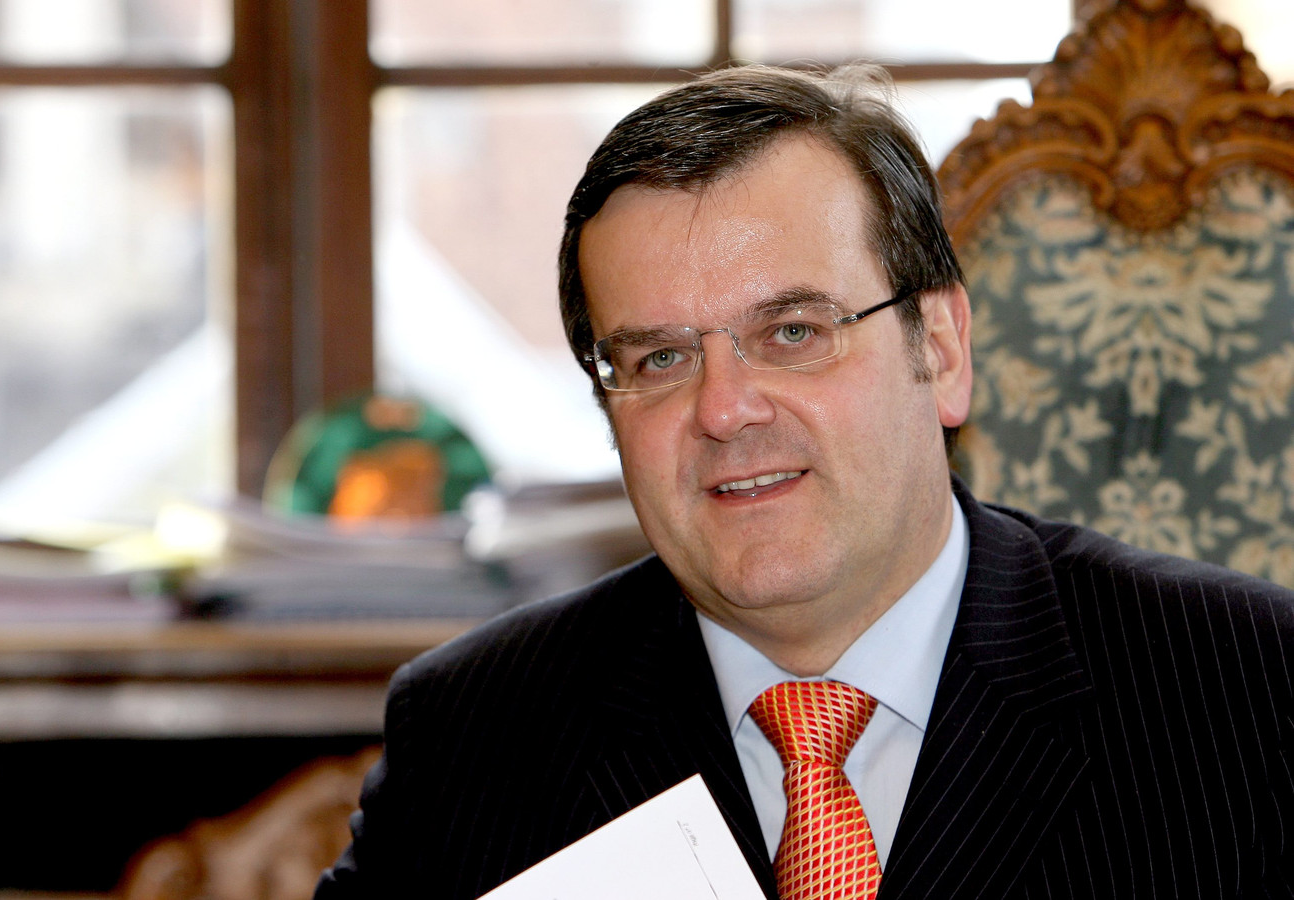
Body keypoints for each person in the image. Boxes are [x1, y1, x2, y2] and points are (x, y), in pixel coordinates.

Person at [314, 64, 1294, 899]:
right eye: (658, 359)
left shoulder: (1249, 692)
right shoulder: (472, 734)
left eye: (792, 332)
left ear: (941, 348)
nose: (724, 409)